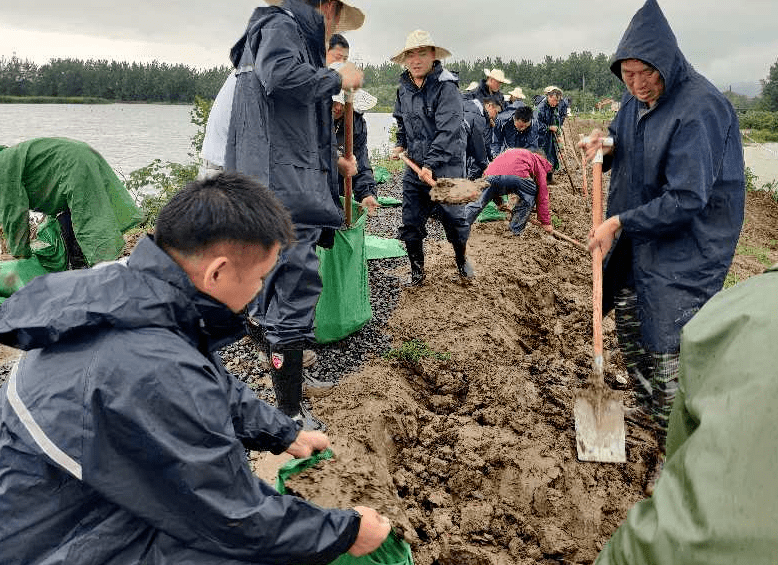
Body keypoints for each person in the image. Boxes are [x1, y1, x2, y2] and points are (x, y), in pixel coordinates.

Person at [0, 174, 391, 564]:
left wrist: (285, 433)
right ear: (217, 272)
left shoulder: (130, 292)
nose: (259, 291)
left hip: (61, 492)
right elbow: (232, 517)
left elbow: (208, 379)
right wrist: (347, 531)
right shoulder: (155, 365)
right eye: (259, 278)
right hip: (52, 540)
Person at [579, 0, 745, 493]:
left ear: (665, 64)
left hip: (684, 250)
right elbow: (624, 142)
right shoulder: (636, 101)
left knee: (669, 350)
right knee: (634, 333)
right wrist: (603, 147)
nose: (635, 84)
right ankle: (654, 421)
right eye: (626, 75)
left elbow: (687, 198)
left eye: (643, 74)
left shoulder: (701, 109)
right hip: (638, 238)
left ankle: (683, 460)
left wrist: (620, 222)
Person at [225, 0, 365, 431]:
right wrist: (334, 77)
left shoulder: (273, 32)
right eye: (336, 16)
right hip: (284, 193)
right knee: (295, 289)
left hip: (275, 182)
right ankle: (289, 412)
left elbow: (289, 127)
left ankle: (290, 388)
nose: (333, 27)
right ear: (325, 6)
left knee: (277, 288)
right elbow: (281, 78)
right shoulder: (282, 27)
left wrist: (333, 162)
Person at [594, 263, 778, 564]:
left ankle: (665, 453)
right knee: (644, 344)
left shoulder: (746, 314)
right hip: (648, 264)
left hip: (679, 273)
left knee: (666, 357)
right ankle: (649, 411)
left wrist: (620, 223)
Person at [389, 29, 473, 285]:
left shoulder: (446, 88)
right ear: (405, 59)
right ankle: (417, 272)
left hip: (446, 166)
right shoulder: (403, 88)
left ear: (433, 56)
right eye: (410, 55)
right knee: (411, 221)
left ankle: (461, 259)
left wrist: (430, 164)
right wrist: (401, 144)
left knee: (455, 221)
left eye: (421, 54)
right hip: (415, 168)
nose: (415, 60)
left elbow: (449, 132)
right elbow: (401, 120)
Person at [0, 137, 142, 269]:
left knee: (88, 219)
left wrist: (20, 255)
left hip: (73, 164)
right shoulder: (8, 159)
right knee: (72, 217)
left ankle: (103, 269)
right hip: (78, 156)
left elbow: (14, 213)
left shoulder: (3, 166)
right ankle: (80, 265)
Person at [464, 148, 553, 236]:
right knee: (531, 193)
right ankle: (514, 229)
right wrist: (546, 223)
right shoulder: (539, 162)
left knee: (478, 201)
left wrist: (499, 203)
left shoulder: (514, 153)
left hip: (489, 175)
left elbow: (497, 181)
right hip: (516, 175)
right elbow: (542, 195)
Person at [332, 88, 380, 214]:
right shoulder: (308, 118)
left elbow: (360, 161)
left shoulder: (355, 124)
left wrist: (367, 194)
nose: (338, 107)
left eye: (343, 103)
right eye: (334, 101)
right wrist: (335, 158)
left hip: (337, 190)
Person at [536, 85, 566, 184]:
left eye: (557, 101)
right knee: (543, 157)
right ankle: (541, 180)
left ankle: (550, 178)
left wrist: (558, 134)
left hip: (551, 137)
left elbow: (557, 121)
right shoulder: (540, 108)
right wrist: (548, 127)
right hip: (541, 137)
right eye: (554, 100)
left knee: (553, 156)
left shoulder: (554, 107)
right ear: (548, 97)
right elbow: (536, 124)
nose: (556, 103)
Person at [463, 97, 490, 180]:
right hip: (458, 155)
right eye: (497, 111)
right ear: (490, 106)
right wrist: (487, 168)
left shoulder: (462, 109)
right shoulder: (477, 118)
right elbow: (478, 147)